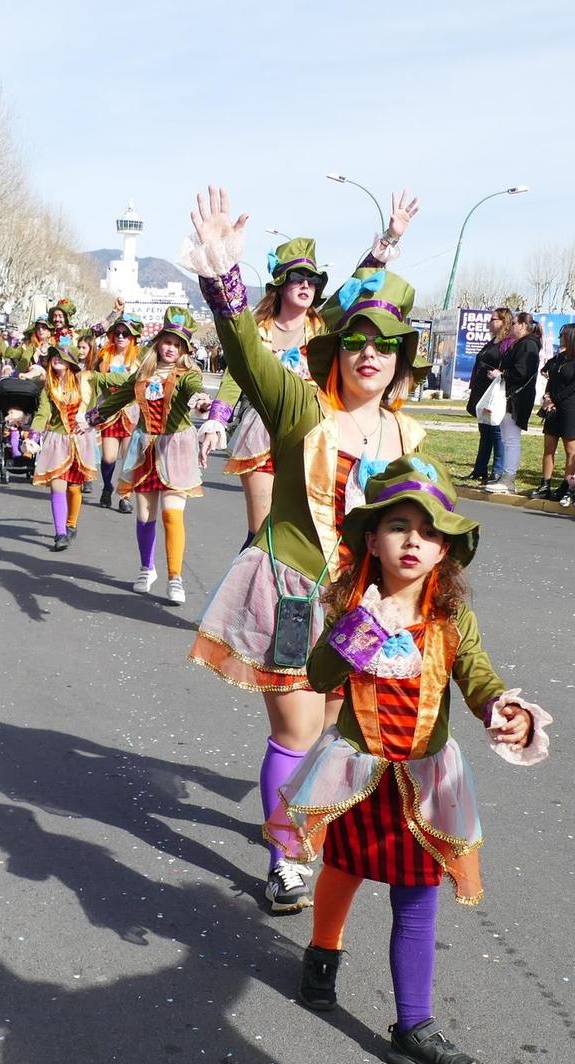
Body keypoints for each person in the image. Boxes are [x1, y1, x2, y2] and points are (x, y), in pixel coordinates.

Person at [267, 455, 548, 1064]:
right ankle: (323, 952)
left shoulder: (451, 622)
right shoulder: (352, 608)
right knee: (342, 866)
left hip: (422, 784)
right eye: (399, 526)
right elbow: (317, 676)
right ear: (373, 538)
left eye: (428, 530)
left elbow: (478, 679)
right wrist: (360, 632)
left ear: (445, 547)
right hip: (354, 772)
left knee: (417, 896)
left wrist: (508, 710)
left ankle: (412, 1025)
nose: (413, 540)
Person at [184, 184, 425, 913]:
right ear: (336, 350)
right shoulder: (302, 408)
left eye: (384, 344)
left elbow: (422, 537)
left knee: (327, 729)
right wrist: (223, 276)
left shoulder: (408, 437)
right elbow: (247, 357)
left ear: (399, 357)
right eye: (356, 341)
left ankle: (301, 823)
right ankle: (285, 856)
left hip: (359, 604)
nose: (369, 355)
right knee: (295, 725)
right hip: (292, 585)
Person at [95, 307, 218, 605]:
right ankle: (146, 568)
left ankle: (175, 578)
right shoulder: (143, 373)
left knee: (172, 513)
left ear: (185, 349)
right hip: (145, 449)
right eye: (167, 341)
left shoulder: (188, 374)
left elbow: (194, 391)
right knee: (145, 515)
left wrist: (202, 401)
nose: (171, 348)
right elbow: (118, 398)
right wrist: (90, 418)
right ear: (158, 342)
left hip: (176, 448)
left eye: (178, 344)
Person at [219, 239, 327, 541]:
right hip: (261, 431)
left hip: (310, 432)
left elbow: (357, 290)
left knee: (303, 531)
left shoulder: (323, 327)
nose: (306, 285)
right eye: (297, 278)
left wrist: (387, 242)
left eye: (312, 280)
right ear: (280, 284)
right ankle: (242, 588)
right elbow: (236, 373)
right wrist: (217, 417)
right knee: (262, 531)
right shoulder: (258, 329)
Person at [29, 340, 98, 551]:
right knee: (58, 485)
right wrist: (33, 436)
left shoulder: (84, 383)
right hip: (57, 441)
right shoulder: (48, 388)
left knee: (75, 487)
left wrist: (90, 424)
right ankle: (60, 533)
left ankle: (71, 524)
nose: (56, 358)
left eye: (61, 355)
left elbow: (95, 407)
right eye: (53, 356)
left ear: (70, 362)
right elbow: (42, 414)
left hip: (80, 440)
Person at [532, 320, 575, 499]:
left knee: (570, 447)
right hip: (553, 405)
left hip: (569, 406)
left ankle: (567, 484)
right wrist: (547, 396)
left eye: (563, 335)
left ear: (572, 337)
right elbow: (550, 378)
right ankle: (545, 484)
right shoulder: (559, 358)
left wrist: (555, 400)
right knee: (549, 447)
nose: (561, 338)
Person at [94, 315, 143, 510]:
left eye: (126, 334)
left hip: (131, 413)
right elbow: (97, 378)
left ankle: (125, 497)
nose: (121, 337)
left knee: (129, 457)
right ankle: (107, 487)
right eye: (117, 333)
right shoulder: (104, 357)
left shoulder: (140, 359)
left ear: (133, 338)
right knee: (108, 458)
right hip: (110, 413)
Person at [488, 312, 541, 494]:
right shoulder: (522, 344)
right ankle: (505, 476)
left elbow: (522, 371)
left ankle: (509, 478)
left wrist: (502, 375)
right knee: (506, 438)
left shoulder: (528, 345)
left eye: (513, 324)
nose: (510, 327)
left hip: (517, 398)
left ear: (522, 326)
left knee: (511, 439)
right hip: (511, 396)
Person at [463, 307, 510, 483]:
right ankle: (480, 469)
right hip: (482, 392)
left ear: (503, 321)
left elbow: (506, 366)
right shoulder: (492, 342)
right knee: (485, 431)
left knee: (496, 432)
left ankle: (497, 470)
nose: (490, 322)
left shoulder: (507, 343)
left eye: (493, 319)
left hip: (494, 394)